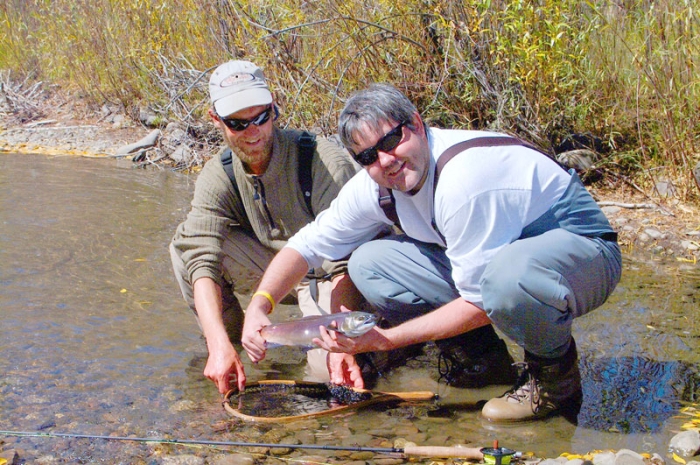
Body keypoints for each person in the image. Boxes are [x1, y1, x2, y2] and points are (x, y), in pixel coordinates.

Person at [241, 83, 622, 422]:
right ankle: (483, 361)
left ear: (417, 124)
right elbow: (307, 246)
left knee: (507, 279)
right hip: (500, 262)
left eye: (391, 141)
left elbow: (479, 301)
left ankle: (554, 380)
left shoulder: (462, 181)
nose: (386, 160)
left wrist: (386, 340)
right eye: (368, 156)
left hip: (583, 252)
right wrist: (261, 304)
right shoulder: (374, 186)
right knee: (369, 264)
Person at [169, 60, 362, 395]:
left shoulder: (326, 163)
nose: (253, 131)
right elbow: (200, 256)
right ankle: (229, 351)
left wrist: (342, 343)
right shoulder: (219, 174)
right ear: (216, 120)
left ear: (275, 108)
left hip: (328, 274)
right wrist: (218, 344)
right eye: (238, 123)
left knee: (323, 377)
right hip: (271, 274)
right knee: (183, 246)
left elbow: (348, 261)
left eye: (261, 117)